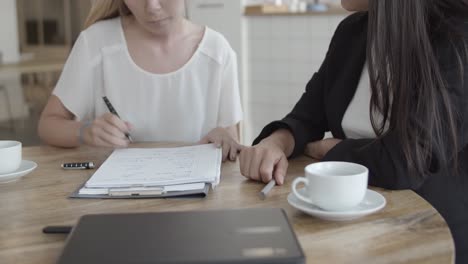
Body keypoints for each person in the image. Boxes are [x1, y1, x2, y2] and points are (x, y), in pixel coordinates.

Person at [239, 0, 468, 262]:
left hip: (430, 233)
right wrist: (276, 142)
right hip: (348, 224)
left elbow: (407, 160)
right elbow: (307, 116)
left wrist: (330, 150)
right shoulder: (352, 31)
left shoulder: (456, 35)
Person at [38, 0, 243, 162]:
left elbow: (232, 139)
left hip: (196, 199)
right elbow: (48, 125)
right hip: (113, 199)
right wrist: (84, 131)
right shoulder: (95, 44)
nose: (152, 6)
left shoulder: (217, 52)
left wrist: (224, 137)